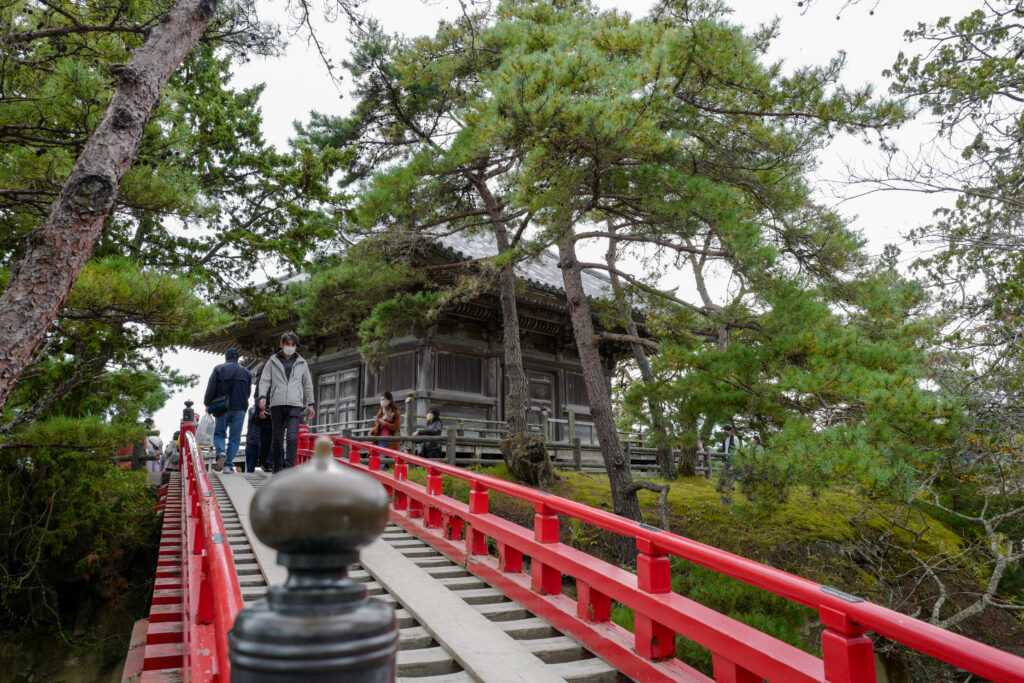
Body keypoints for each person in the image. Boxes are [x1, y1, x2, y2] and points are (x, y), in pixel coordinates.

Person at [257, 332, 315, 471]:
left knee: (292, 437)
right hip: (277, 404)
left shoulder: (302, 362)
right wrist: (262, 396)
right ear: (281, 344)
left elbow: (308, 383)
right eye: (287, 344)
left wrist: (310, 403)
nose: (290, 347)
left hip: (295, 404)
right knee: (277, 439)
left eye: (293, 345)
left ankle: (289, 468)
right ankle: (277, 467)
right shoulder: (272, 361)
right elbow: (264, 380)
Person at [204, 347, 252, 473]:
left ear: (226, 357)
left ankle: (221, 452)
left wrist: (207, 403)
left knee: (219, 434)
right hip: (240, 407)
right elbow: (248, 393)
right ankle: (228, 465)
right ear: (238, 358)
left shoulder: (219, 369)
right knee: (234, 438)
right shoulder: (246, 372)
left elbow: (211, 388)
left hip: (221, 408)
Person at [247, 380, 273, 472]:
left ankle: (264, 464)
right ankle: (266, 464)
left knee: (250, 468)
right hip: (256, 442)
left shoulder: (251, 410)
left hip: (252, 441)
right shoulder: (256, 411)